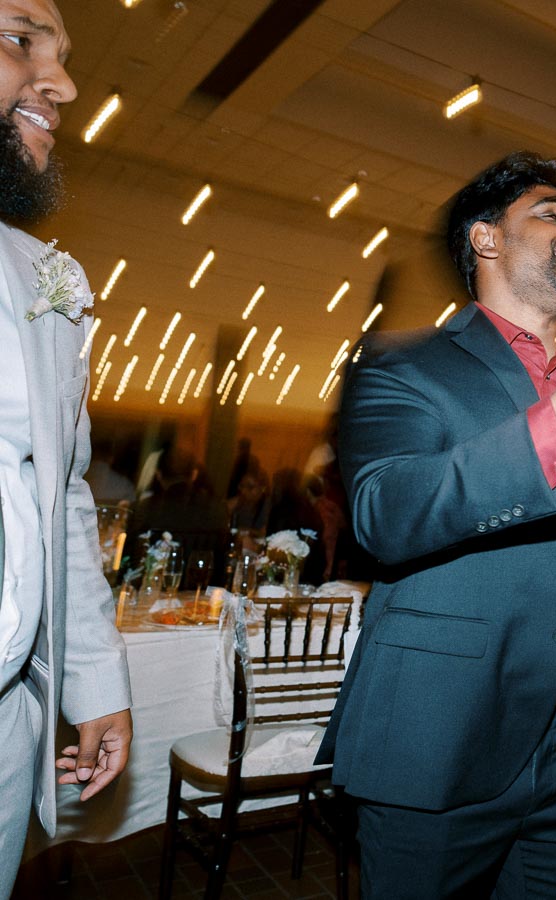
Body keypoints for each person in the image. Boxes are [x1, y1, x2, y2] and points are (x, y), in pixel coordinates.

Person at [316, 151, 556, 898]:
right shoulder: (405, 366)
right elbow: (385, 515)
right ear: (486, 239)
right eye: (551, 213)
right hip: (437, 736)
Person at [0, 1, 133, 893]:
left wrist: (92, 680)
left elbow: (63, 494)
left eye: (62, 52)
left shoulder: (41, 276)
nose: (65, 84)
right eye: (18, 38)